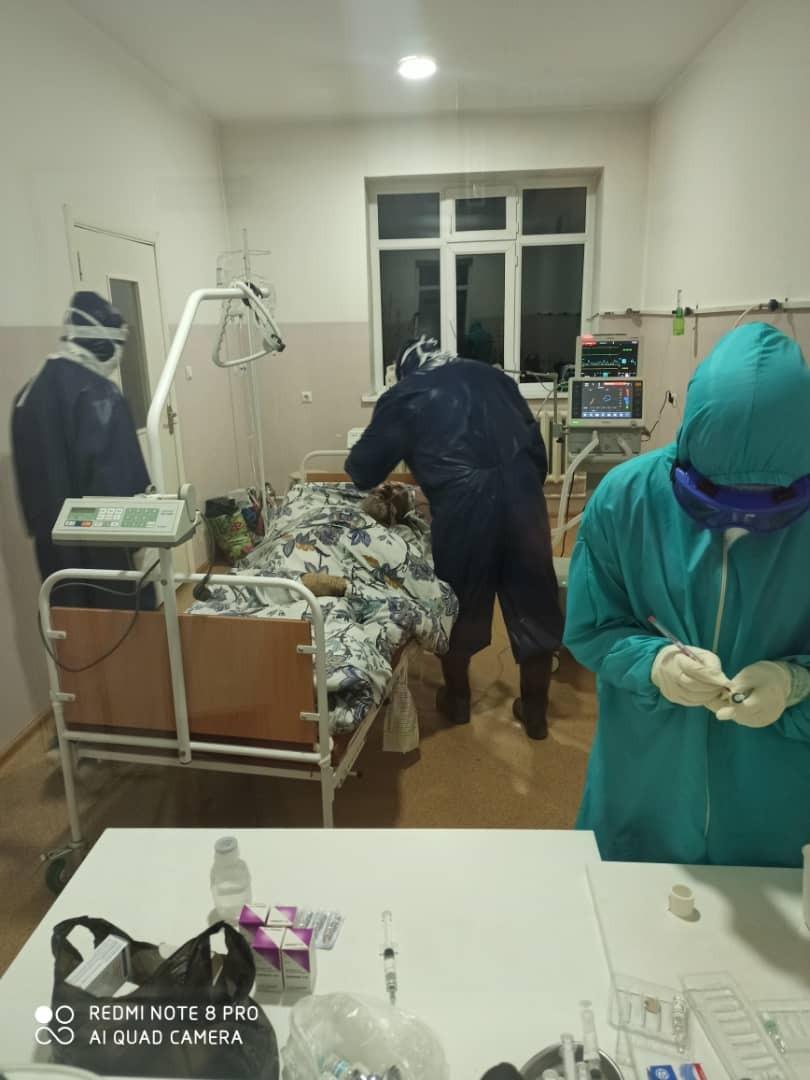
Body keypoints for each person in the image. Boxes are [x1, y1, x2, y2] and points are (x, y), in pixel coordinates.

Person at [564, 322, 810, 867]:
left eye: (767, 501)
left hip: (776, 793)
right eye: (721, 498)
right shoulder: (626, 500)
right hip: (647, 775)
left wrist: (795, 684)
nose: (741, 518)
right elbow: (593, 627)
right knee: (627, 906)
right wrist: (655, 665)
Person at [345, 336, 563, 739]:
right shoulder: (495, 378)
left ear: (405, 370)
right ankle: (535, 712)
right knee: (535, 603)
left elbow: (362, 470)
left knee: (459, 604)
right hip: (524, 501)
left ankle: (458, 700)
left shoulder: (405, 395)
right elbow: (538, 453)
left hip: (464, 510)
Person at [11, 290, 155, 610]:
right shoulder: (101, 396)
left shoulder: (26, 396)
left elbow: (32, 497)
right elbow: (122, 489)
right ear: (102, 342)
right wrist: (144, 543)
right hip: (105, 556)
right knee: (123, 634)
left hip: (54, 558)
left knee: (71, 631)